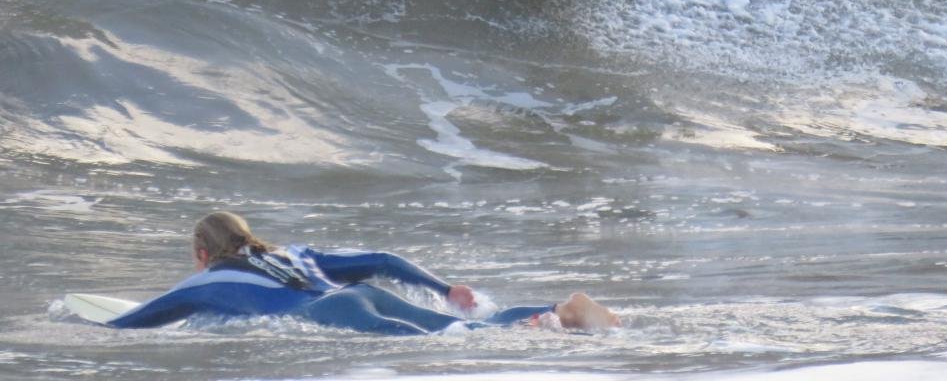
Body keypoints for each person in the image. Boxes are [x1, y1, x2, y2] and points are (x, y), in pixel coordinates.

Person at [103, 212, 620, 333]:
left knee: (462, 340)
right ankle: (562, 310)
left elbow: (131, 323)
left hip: (332, 314)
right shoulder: (294, 254)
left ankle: (551, 322)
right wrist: (444, 288)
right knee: (462, 327)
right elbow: (382, 260)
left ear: (201, 253)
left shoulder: (204, 283)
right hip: (365, 295)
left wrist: (78, 324)